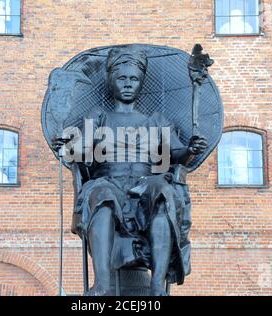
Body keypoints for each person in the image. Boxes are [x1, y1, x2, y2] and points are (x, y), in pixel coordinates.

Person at [53, 47, 207, 296]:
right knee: (100, 194)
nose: (127, 84)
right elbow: (80, 149)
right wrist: (66, 145)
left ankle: (157, 286)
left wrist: (190, 148)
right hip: (108, 181)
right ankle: (102, 284)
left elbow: (176, 154)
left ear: (141, 83)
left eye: (134, 79)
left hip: (145, 185)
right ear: (111, 81)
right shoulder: (99, 116)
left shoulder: (156, 120)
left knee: (162, 193)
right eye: (121, 78)